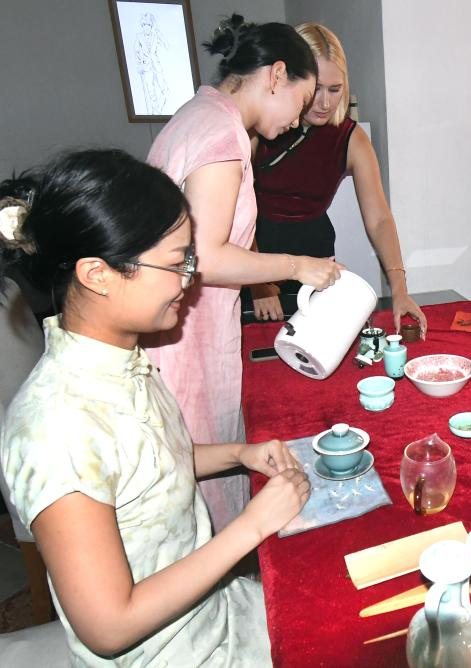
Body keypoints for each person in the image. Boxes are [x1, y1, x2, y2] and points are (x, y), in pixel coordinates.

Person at [0, 149, 310, 665]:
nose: (189, 277)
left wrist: (240, 453)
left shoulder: (120, 361)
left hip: (214, 616)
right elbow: (108, 626)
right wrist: (252, 526)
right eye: (175, 263)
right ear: (98, 274)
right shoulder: (57, 426)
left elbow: (146, 467)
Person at [147, 15, 338, 531]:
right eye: (302, 101)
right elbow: (206, 256)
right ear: (276, 75)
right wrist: (297, 266)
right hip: (187, 334)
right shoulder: (223, 135)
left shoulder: (199, 113)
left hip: (179, 320)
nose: (299, 121)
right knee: (202, 484)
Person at [250, 23, 427, 333]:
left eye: (335, 90)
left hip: (316, 253)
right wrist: (258, 284)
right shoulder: (260, 127)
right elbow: (233, 212)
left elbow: (379, 219)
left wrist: (399, 288)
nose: (325, 103)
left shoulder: (351, 138)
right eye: (316, 88)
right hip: (254, 250)